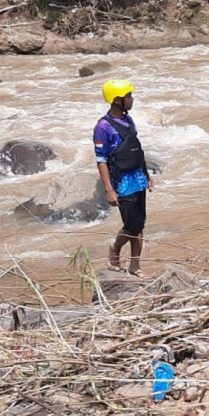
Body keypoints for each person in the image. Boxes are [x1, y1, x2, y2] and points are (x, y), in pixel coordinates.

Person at [94, 79, 153, 277]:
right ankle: (114, 248)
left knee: (140, 224)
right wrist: (109, 189)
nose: (132, 100)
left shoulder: (128, 121)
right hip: (122, 182)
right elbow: (101, 160)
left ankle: (135, 265)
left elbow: (136, 149)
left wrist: (147, 175)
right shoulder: (103, 127)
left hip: (137, 177)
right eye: (128, 96)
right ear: (117, 100)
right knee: (131, 226)